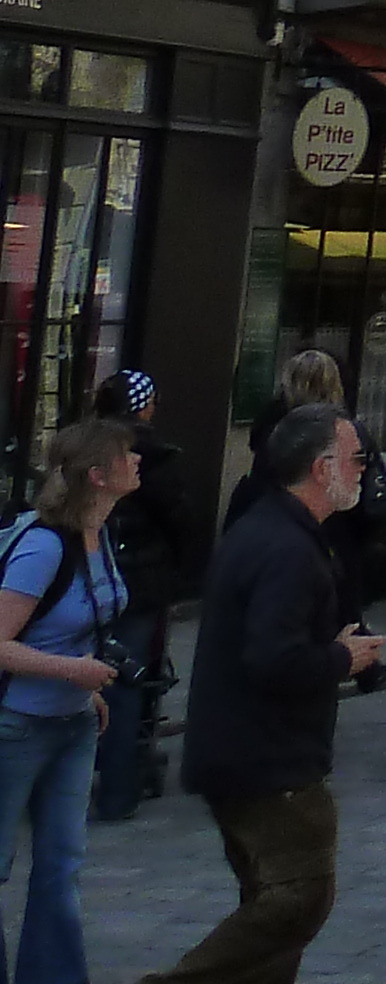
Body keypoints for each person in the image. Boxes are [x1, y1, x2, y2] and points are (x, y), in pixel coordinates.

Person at [155, 402, 386, 984]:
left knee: (274, 907)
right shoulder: (286, 544)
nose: (364, 470)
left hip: (244, 750)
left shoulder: (272, 528)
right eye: (357, 459)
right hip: (267, 760)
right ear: (320, 466)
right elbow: (272, 659)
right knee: (296, 899)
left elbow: (265, 639)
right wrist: (342, 656)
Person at [0, 415, 140, 983]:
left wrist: (85, 685)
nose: (139, 463)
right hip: (16, 725)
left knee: (62, 867)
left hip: (74, 724)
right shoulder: (43, 546)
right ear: (99, 475)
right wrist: (70, 670)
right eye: (128, 456)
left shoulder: (100, 534)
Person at [87, 369, 185, 824]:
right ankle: (118, 790)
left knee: (77, 676)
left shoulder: (81, 446)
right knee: (126, 684)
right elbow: (178, 521)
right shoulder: (153, 458)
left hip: (86, 575)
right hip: (138, 581)